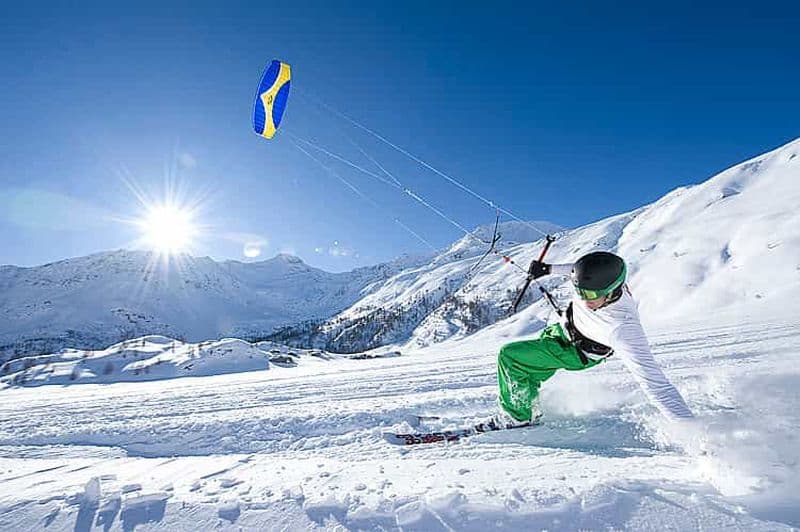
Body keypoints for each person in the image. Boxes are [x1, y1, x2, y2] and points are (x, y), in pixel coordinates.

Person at [492, 251, 693, 428]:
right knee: (529, 369)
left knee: (510, 357)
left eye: (590, 295)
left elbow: (658, 386)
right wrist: (548, 269)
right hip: (561, 331)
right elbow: (575, 271)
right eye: (579, 292)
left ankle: (517, 417)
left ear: (612, 290)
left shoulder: (623, 329)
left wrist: (693, 433)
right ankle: (530, 409)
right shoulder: (596, 283)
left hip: (573, 351)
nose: (584, 300)